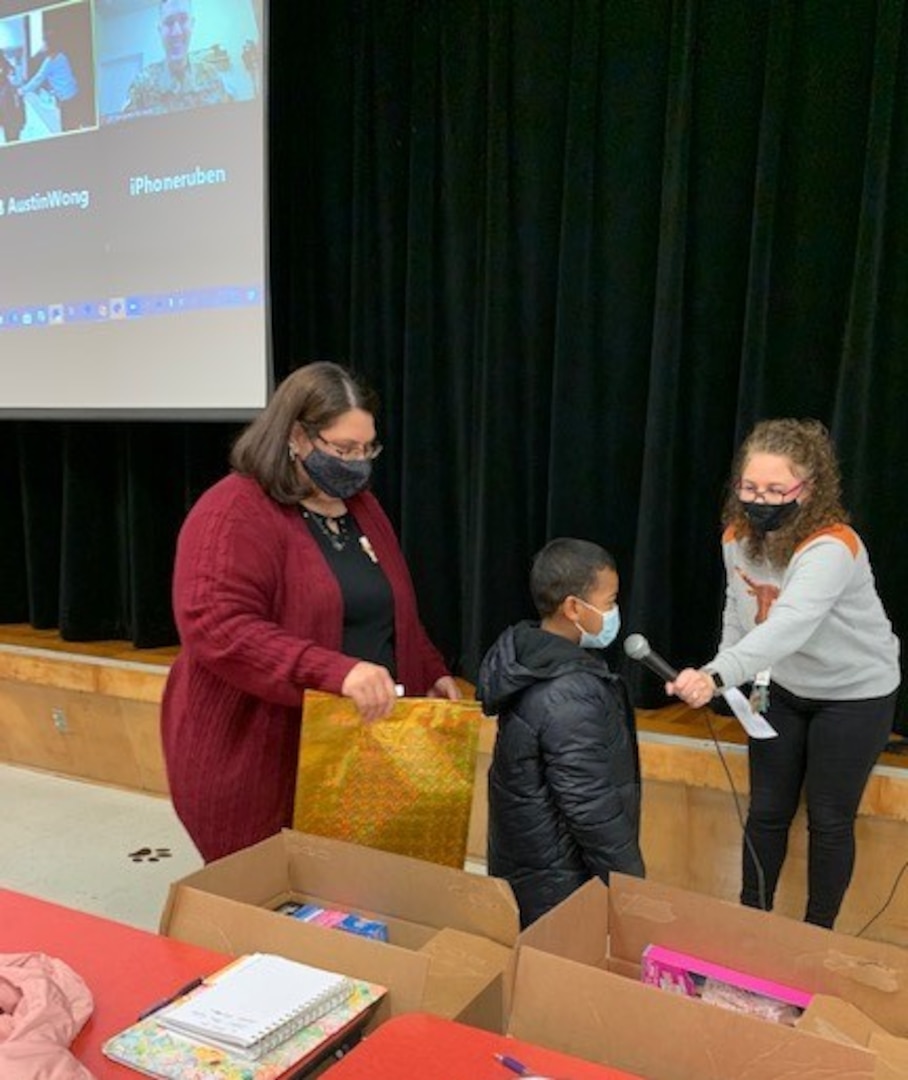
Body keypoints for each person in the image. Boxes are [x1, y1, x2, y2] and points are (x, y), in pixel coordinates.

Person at [161, 362, 461, 862]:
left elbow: (390, 606)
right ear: (297, 437)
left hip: (349, 755)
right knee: (270, 907)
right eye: (343, 450)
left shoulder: (359, 505)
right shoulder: (232, 512)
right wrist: (334, 672)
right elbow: (218, 627)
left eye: (367, 449)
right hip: (256, 760)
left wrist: (428, 670)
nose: (358, 463)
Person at [668, 418, 900, 929]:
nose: (761, 499)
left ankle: (817, 936)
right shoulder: (737, 537)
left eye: (776, 489)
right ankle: (755, 926)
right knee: (767, 811)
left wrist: (717, 674)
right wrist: (716, 677)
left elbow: (790, 625)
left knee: (829, 820)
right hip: (785, 690)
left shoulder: (833, 546)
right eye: (750, 487)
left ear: (809, 489)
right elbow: (739, 614)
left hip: (854, 695)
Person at [475, 537, 645, 928]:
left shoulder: (533, 661)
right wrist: (630, 889)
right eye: (609, 602)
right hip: (560, 884)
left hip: (533, 871)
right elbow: (590, 806)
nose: (614, 612)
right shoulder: (568, 693)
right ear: (573, 608)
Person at [123, 0, 233, 115]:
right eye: (169, 22)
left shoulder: (212, 77)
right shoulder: (142, 84)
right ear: (160, 29)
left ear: (192, 24)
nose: (177, 32)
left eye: (183, 20)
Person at [17, 25, 80, 133]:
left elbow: (38, 79)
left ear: (49, 44)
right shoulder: (62, 56)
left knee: (67, 129)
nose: (42, 45)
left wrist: (22, 90)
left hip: (66, 98)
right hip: (74, 94)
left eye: (44, 42)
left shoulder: (50, 61)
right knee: (74, 126)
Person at [0, 52, 24, 144]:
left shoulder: (10, 87)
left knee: (13, 139)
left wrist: (22, 120)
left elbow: (19, 103)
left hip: (12, 122)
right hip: (9, 122)